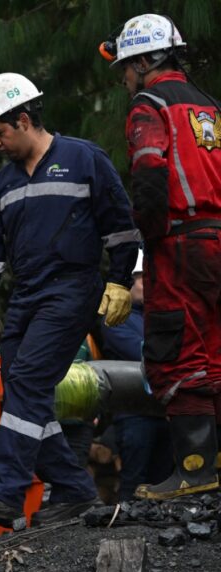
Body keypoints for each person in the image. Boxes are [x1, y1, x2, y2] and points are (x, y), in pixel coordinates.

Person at [0, 74, 139, 528]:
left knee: (31, 382)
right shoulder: (3, 187)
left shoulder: (83, 159)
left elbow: (121, 228)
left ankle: (5, 492)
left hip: (72, 290)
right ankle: (74, 488)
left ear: (23, 119)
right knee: (17, 390)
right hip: (27, 294)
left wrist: (118, 280)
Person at [100, 14, 221, 499]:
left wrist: (147, 241)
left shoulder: (149, 106)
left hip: (181, 241)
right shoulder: (210, 107)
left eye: (128, 67)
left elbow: (150, 174)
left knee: (175, 350)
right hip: (216, 235)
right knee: (215, 347)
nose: (126, 78)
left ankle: (194, 470)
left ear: (148, 60)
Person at [99, 250, 172, 500]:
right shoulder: (117, 317)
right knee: (134, 480)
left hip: (165, 411)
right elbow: (138, 351)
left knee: (163, 481)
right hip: (134, 414)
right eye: (142, 278)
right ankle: (123, 530)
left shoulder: (158, 316)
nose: (148, 284)